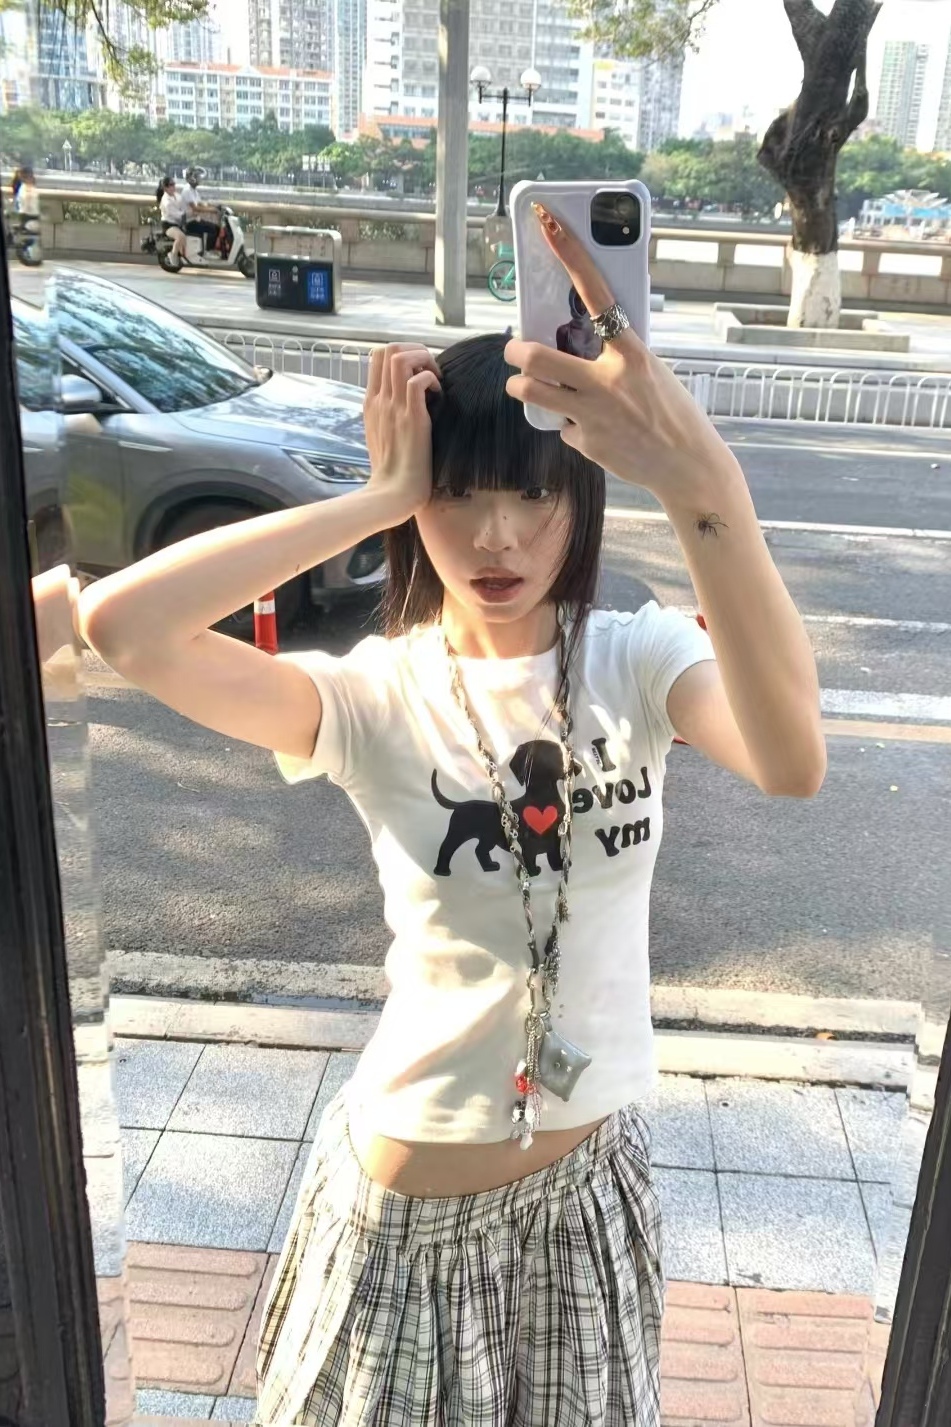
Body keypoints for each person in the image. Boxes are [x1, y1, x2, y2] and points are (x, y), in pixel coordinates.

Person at [77, 203, 826, 1426]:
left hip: (591, 1197)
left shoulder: (637, 660)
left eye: (533, 495)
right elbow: (124, 628)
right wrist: (372, 498)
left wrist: (707, 481)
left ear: (580, 497)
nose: (496, 536)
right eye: (459, 496)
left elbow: (792, 760)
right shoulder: (377, 693)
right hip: (410, 1226)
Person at [556, 284, 603, 361]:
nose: (582, 305)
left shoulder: (603, 328)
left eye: (585, 301)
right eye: (578, 299)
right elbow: (561, 364)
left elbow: (620, 351)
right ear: (572, 301)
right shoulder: (564, 332)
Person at [179, 167, 219, 254]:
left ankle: (206, 251)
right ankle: (209, 251)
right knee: (213, 229)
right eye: (198, 177)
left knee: (216, 227)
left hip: (195, 219)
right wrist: (212, 210)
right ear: (192, 178)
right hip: (189, 222)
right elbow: (195, 208)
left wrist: (215, 206)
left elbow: (200, 204)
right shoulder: (187, 190)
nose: (200, 179)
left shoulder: (193, 190)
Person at [155, 176, 187, 265]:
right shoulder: (166, 201)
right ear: (165, 188)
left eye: (174, 184)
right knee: (180, 237)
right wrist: (184, 214)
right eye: (171, 185)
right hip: (169, 225)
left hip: (178, 223)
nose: (174, 186)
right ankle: (173, 254)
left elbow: (183, 206)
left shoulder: (177, 196)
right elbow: (176, 214)